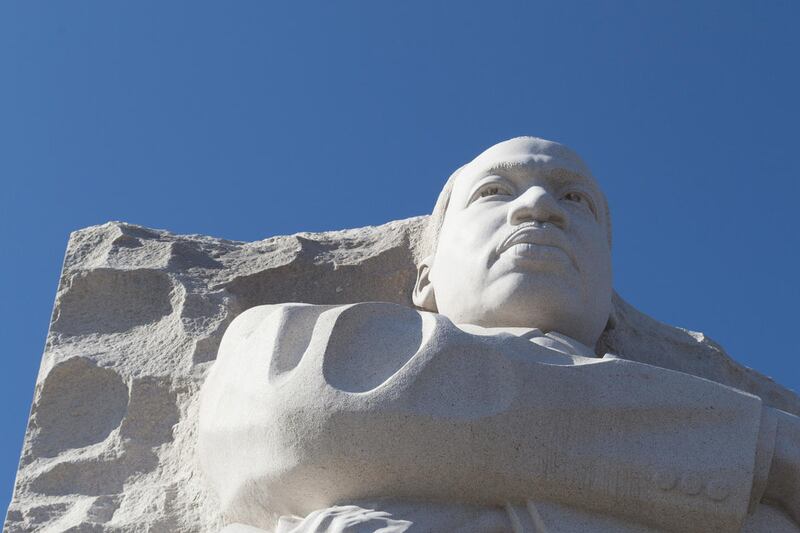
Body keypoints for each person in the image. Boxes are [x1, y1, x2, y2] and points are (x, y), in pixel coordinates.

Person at [199, 137, 800, 532]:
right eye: (494, 192)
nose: (541, 206)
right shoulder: (288, 346)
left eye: (576, 199)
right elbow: (305, 418)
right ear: (424, 278)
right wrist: (761, 447)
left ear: (610, 299)